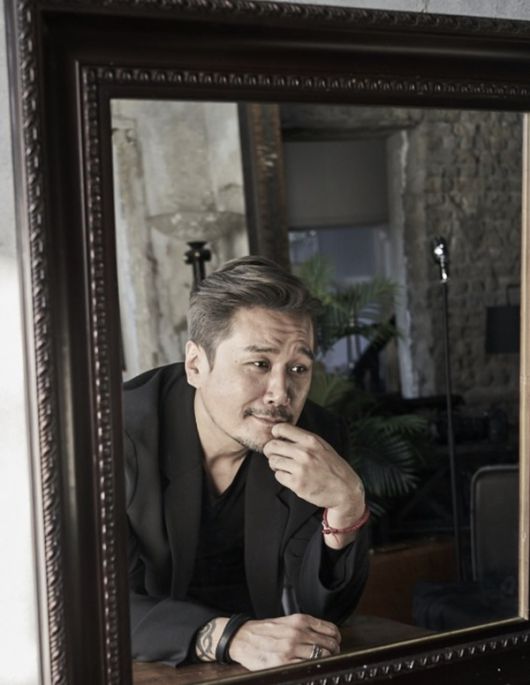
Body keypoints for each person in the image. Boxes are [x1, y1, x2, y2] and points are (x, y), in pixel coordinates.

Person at [124, 255, 369, 671]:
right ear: (196, 365)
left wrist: (347, 509)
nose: (280, 393)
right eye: (259, 364)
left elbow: (323, 617)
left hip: (262, 668)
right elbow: (93, 602)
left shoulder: (315, 439)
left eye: (298, 368)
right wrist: (226, 636)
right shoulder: (113, 436)